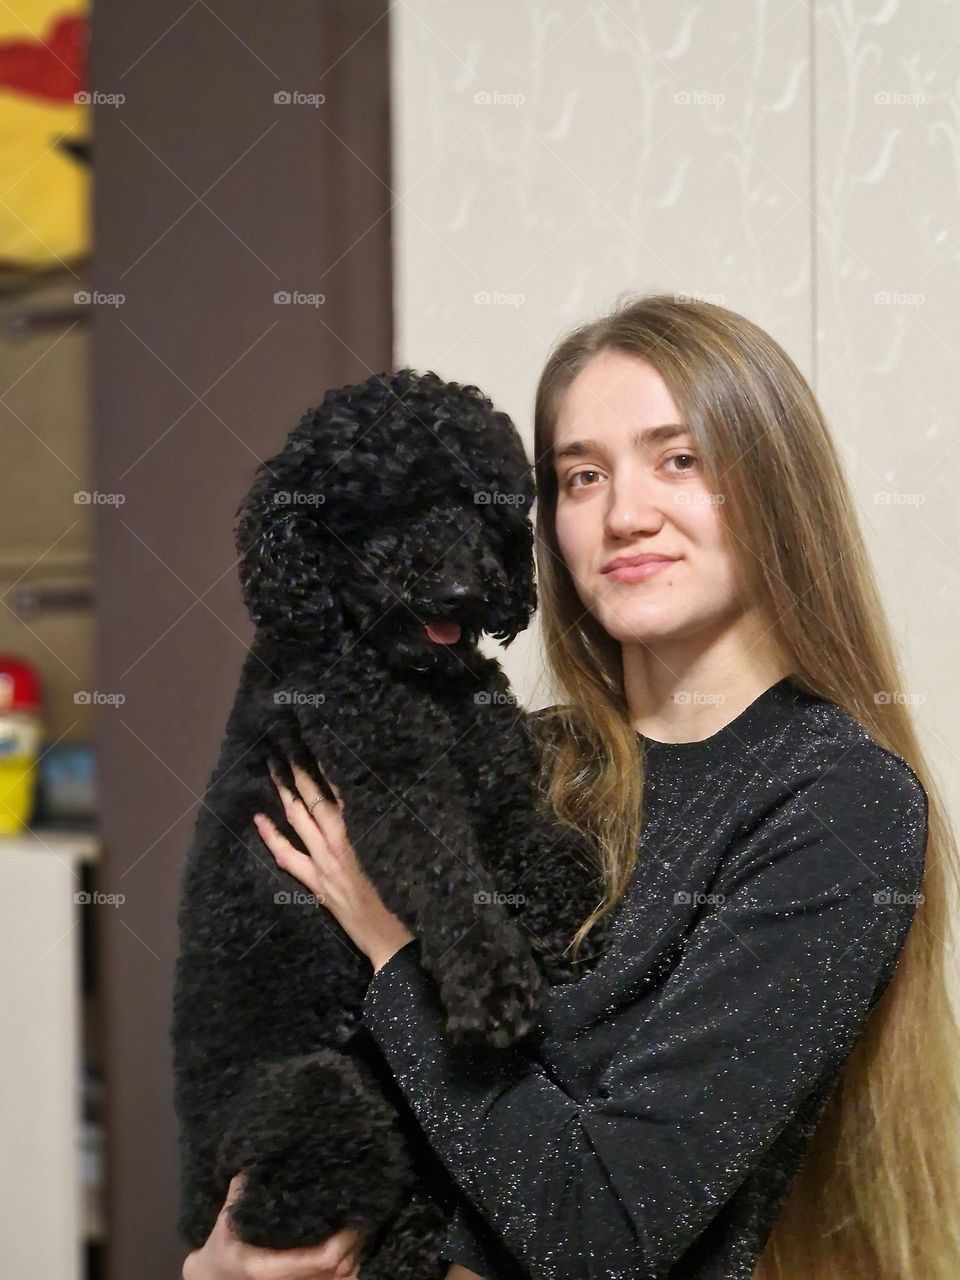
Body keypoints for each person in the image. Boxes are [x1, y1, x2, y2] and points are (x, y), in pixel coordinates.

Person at [183, 294, 960, 1279]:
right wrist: (214, 1264)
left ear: (776, 483)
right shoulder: (515, 757)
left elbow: (599, 1232)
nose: (625, 514)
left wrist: (393, 949)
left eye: (679, 457)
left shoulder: (837, 805)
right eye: (581, 476)